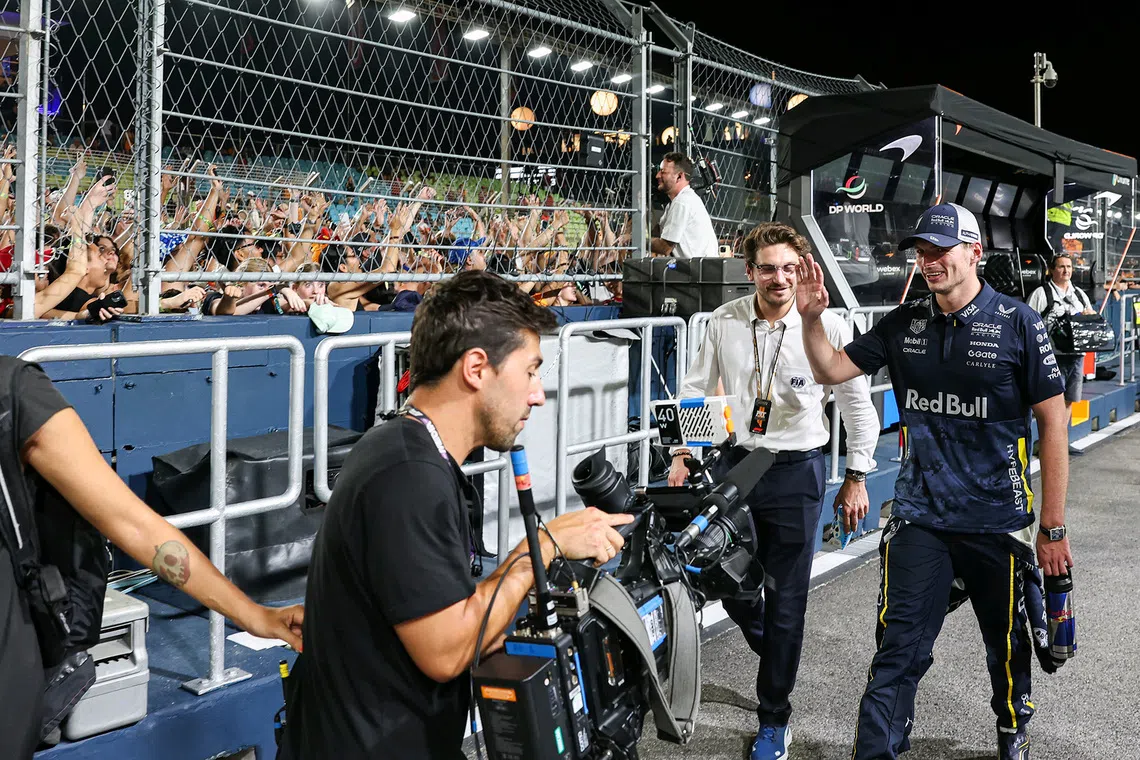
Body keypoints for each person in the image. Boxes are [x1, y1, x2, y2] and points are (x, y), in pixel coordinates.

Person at [277, 270, 632, 760]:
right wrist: (540, 548)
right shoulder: (407, 473)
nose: (537, 394)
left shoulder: (411, 452)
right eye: (530, 371)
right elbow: (446, 653)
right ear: (476, 367)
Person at [795, 203, 1073, 760]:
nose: (929, 262)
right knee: (897, 652)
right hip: (920, 519)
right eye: (922, 252)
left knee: (1010, 650)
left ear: (976, 252)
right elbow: (828, 370)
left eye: (941, 250)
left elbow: (1053, 420)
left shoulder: (1019, 322)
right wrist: (809, 319)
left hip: (999, 522)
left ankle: (1011, 726)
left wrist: (1053, 527)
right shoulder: (904, 324)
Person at [0, 356, 304, 760]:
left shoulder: (14, 391)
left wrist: (254, 615)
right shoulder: (12, 388)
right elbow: (133, 525)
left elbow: (135, 527)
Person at [671, 222, 880, 760]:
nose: (780, 278)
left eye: (790, 268)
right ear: (750, 271)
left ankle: (774, 717)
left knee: (788, 599)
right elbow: (696, 389)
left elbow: (858, 407)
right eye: (768, 268)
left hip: (798, 473)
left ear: (803, 270)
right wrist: (683, 455)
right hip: (738, 468)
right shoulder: (725, 320)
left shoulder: (825, 324)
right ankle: (776, 649)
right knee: (730, 583)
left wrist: (856, 475)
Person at [1026, 254, 1096, 455]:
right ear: (1051, 270)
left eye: (1069, 267)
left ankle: (1059, 442)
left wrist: (1090, 317)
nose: (1066, 271)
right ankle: (1044, 442)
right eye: (1061, 267)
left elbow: (1090, 323)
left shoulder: (1080, 295)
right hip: (1050, 357)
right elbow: (1028, 325)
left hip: (1075, 356)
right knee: (1049, 402)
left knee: (1069, 400)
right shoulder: (1041, 294)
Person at [650, 151, 718, 259]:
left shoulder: (682, 202)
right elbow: (657, 231)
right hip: (699, 269)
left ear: (679, 176)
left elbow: (664, 247)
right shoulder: (676, 202)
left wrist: (634, 239)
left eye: (663, 172)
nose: (657, 176)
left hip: (700, 272)